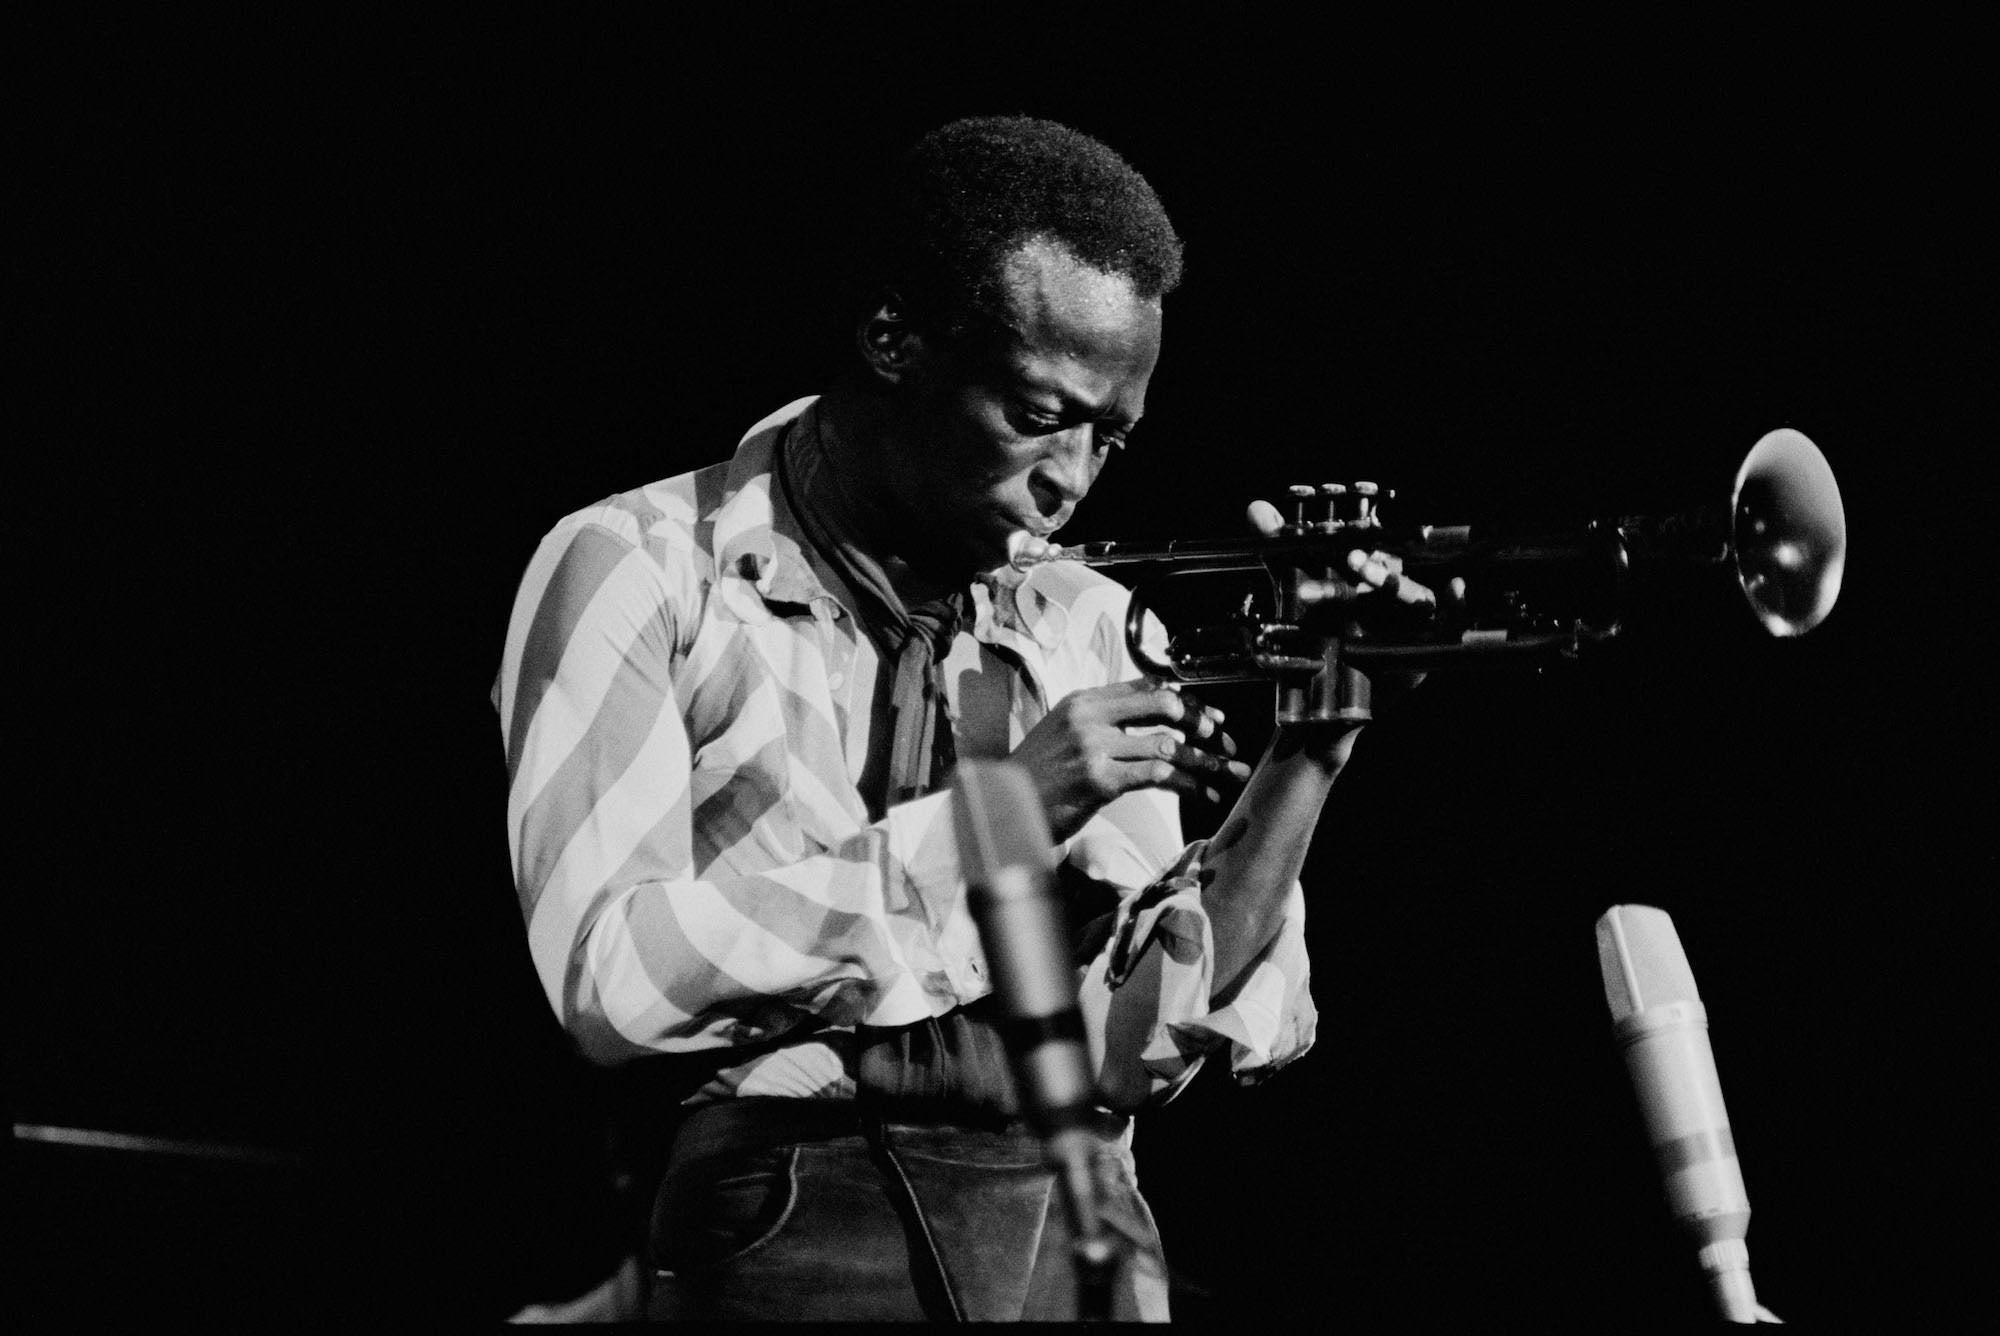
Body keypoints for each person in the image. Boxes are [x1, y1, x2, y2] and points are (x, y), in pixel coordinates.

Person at [494, 114, 1434, 1321]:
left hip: (1079, 1226)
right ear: (893, 340)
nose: (1073, 478)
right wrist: (1003, 812)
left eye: (1111, 436)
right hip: (792, 1215)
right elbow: (610, 983)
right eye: (1040, 415)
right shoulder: (637, 567)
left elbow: (1131, 1050)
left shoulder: (1082, 617)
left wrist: (1312, 747)